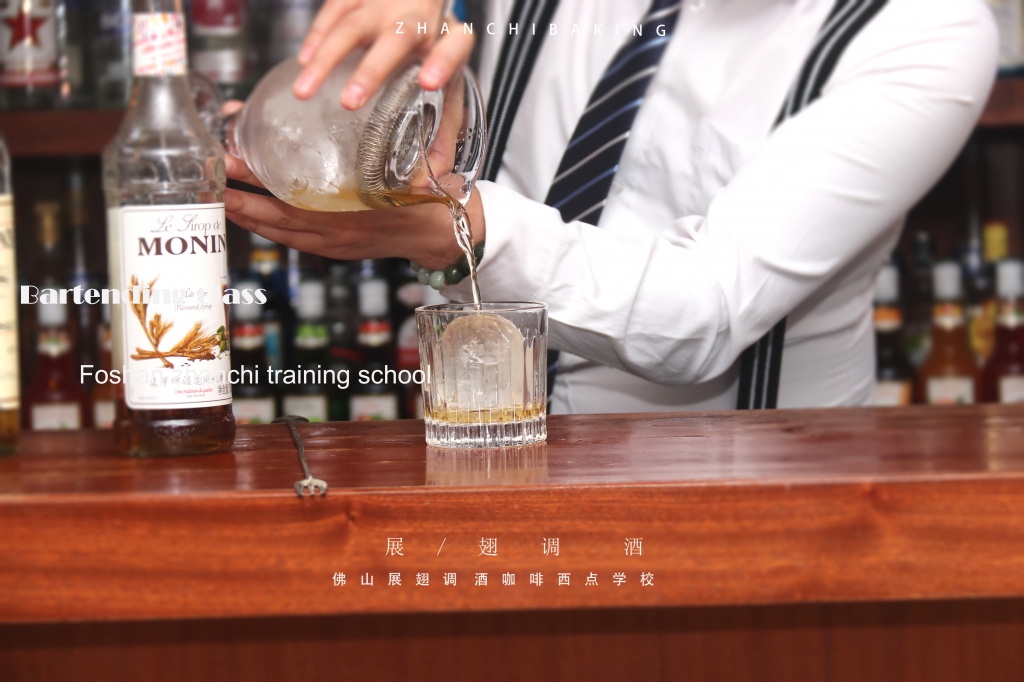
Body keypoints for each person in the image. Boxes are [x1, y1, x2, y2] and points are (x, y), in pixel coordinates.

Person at [223, 0, 997, 414]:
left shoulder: (922, 28)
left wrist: (457, 233)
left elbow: (704, 312)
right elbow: (442, 94)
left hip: (747, 518)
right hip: (475, 465)